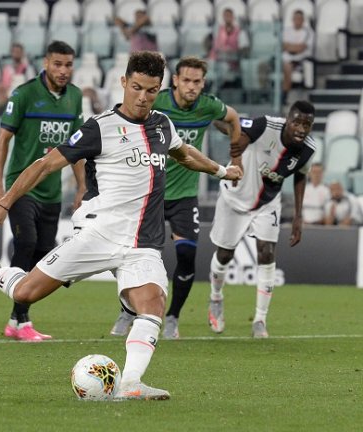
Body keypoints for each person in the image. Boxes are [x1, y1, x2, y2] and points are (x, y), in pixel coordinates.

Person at [0, 51, 242, 400]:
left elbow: (184, 153)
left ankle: (130, 384)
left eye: (151, 90)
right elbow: (44, 165)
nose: (143, 97)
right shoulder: (100, 128)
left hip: (142, 243)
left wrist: (221, 170)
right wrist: (3, 204)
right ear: (123, 83)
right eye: (137, 88)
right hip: (98, 234)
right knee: (25, 293)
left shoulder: (162, 124)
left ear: (160, 89)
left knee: (154, 303)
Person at [109, 56, 242, 340]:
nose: (192, 86)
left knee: (186, 256)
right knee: (134, 257)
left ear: (203, 83)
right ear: (175, 82)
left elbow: (232, 117)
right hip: (150, 193)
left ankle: (172, 317)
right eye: (186, 81)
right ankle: (128, 310)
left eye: (197, 82)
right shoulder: (156, 101)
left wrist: (236, 156)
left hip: (185, 195)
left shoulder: (208, 106)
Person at [0, 40, 85, 342]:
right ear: (46, 63)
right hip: (22, 186)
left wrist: (82, 187)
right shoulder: (24, 94)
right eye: (57, 64)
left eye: (68, 65)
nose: (63, 70)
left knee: (44, 254)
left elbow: (77, 148)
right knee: (26, 242)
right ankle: (22, 321)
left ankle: (13, 321)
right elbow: (2, 140)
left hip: (52, 192)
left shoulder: (75, 97)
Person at [208, 100, 317, 338]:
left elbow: (300, 176)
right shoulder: (266, 125)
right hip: (234, 197)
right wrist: (236, 146)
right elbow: (229, 125)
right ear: (288, 119)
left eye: (306, 124)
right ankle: (216, 298)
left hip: (267, 203)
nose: (301, 128)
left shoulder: (308, 149)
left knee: (267, 253)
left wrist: (298, 217)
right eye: (297, 122)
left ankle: (260, 320)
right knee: (224, 255)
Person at [0, 43, 35, 119]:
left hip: (22, 96)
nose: (16, 54)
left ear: (22, 53)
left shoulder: (28, 69)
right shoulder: (7, 69)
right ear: (11, 53)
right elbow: (3, 85)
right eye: (14, 52)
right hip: (8, 96)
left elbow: (32, 86)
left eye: (18, 52)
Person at [208, 8, 248, 87]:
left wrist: (234, 52)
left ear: (233, 17)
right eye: (226, 16)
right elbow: (213, 44)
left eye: (229, 16)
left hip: (231, 62)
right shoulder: (218, 30)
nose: (227, 18)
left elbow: (244, 48)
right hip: (216, 59)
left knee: (223, 69)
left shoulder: (239, 31)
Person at [282, 10, 314, 97]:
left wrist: (289, 46)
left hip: (299, 60)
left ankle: (284, 95)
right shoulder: (286, 31)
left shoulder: (308, 32)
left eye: (300, 19)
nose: (297, 20)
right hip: (284, 58)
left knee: (287, 67)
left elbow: (301, 48)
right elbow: (282, 46)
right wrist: (294, 46)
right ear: (292, 19)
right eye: (295, 18)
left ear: (303, 20)